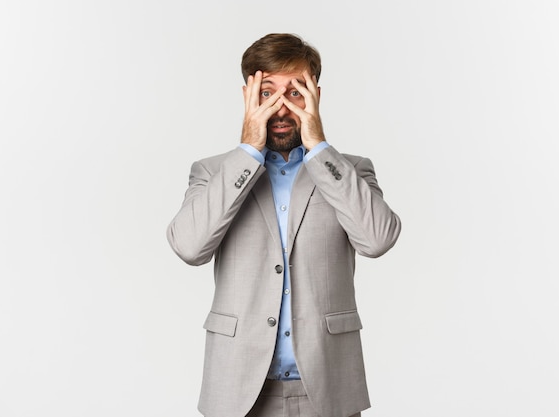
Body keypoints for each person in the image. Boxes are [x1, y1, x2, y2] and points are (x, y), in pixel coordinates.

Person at [167, 33, 401, 417]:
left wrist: (320, 146)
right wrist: (247, 151)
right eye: (266, 93)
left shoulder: (350, 171)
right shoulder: (213, 173)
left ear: (315, 97)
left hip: (327, 387)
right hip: (239, 390)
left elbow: (377, 239)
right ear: (248, 97)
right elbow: (189, 246)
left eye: (294, 93)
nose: (279, 107)